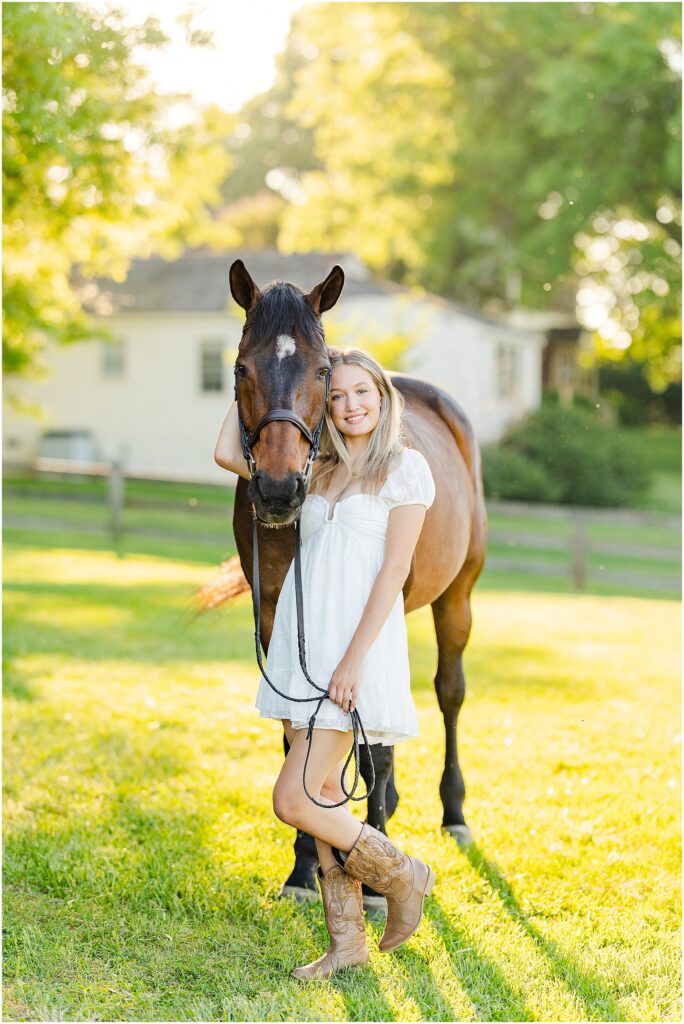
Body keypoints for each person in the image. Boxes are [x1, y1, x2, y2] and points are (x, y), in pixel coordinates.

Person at [214, 347, 436, 980]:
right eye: (336, 396)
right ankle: (347, 943)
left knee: (296, 798)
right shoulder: (322, 467)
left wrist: (354, 662)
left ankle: (402, 873)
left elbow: (395, 572)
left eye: (361, 392)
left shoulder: (406, 470)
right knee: (328, 796)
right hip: (298, 647)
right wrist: (248, 384)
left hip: (351, 655)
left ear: (383, 395)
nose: (349, 406)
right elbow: (230, 455)